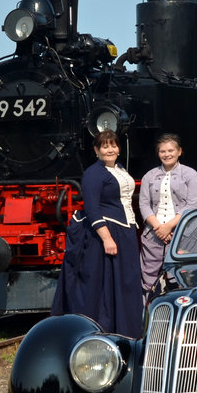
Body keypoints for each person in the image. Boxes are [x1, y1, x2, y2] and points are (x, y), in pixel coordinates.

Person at [50, 130, 143, 337]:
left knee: (124, 282)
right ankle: (101, 329)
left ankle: (126, 329)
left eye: (113, 145)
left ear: (119, 148)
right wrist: (107, 238)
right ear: (96, 150)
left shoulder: (118, 168)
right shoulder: (93, 173)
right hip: (106, 235)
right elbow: (92, 208)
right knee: (104, 285)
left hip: (124, 230)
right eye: (105, 146)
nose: (110, 149)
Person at [138, 134, 197, 298]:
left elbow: (192, 205)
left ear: (179, 151)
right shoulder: (149, 176)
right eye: (162, 151)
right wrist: (159, 227)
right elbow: (144, 204)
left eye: (170, 150)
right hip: (154, 233)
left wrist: (169, 226)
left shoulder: (191, 175)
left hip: (185, 233)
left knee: (186, 277)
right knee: (149, 278)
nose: (167, 154)